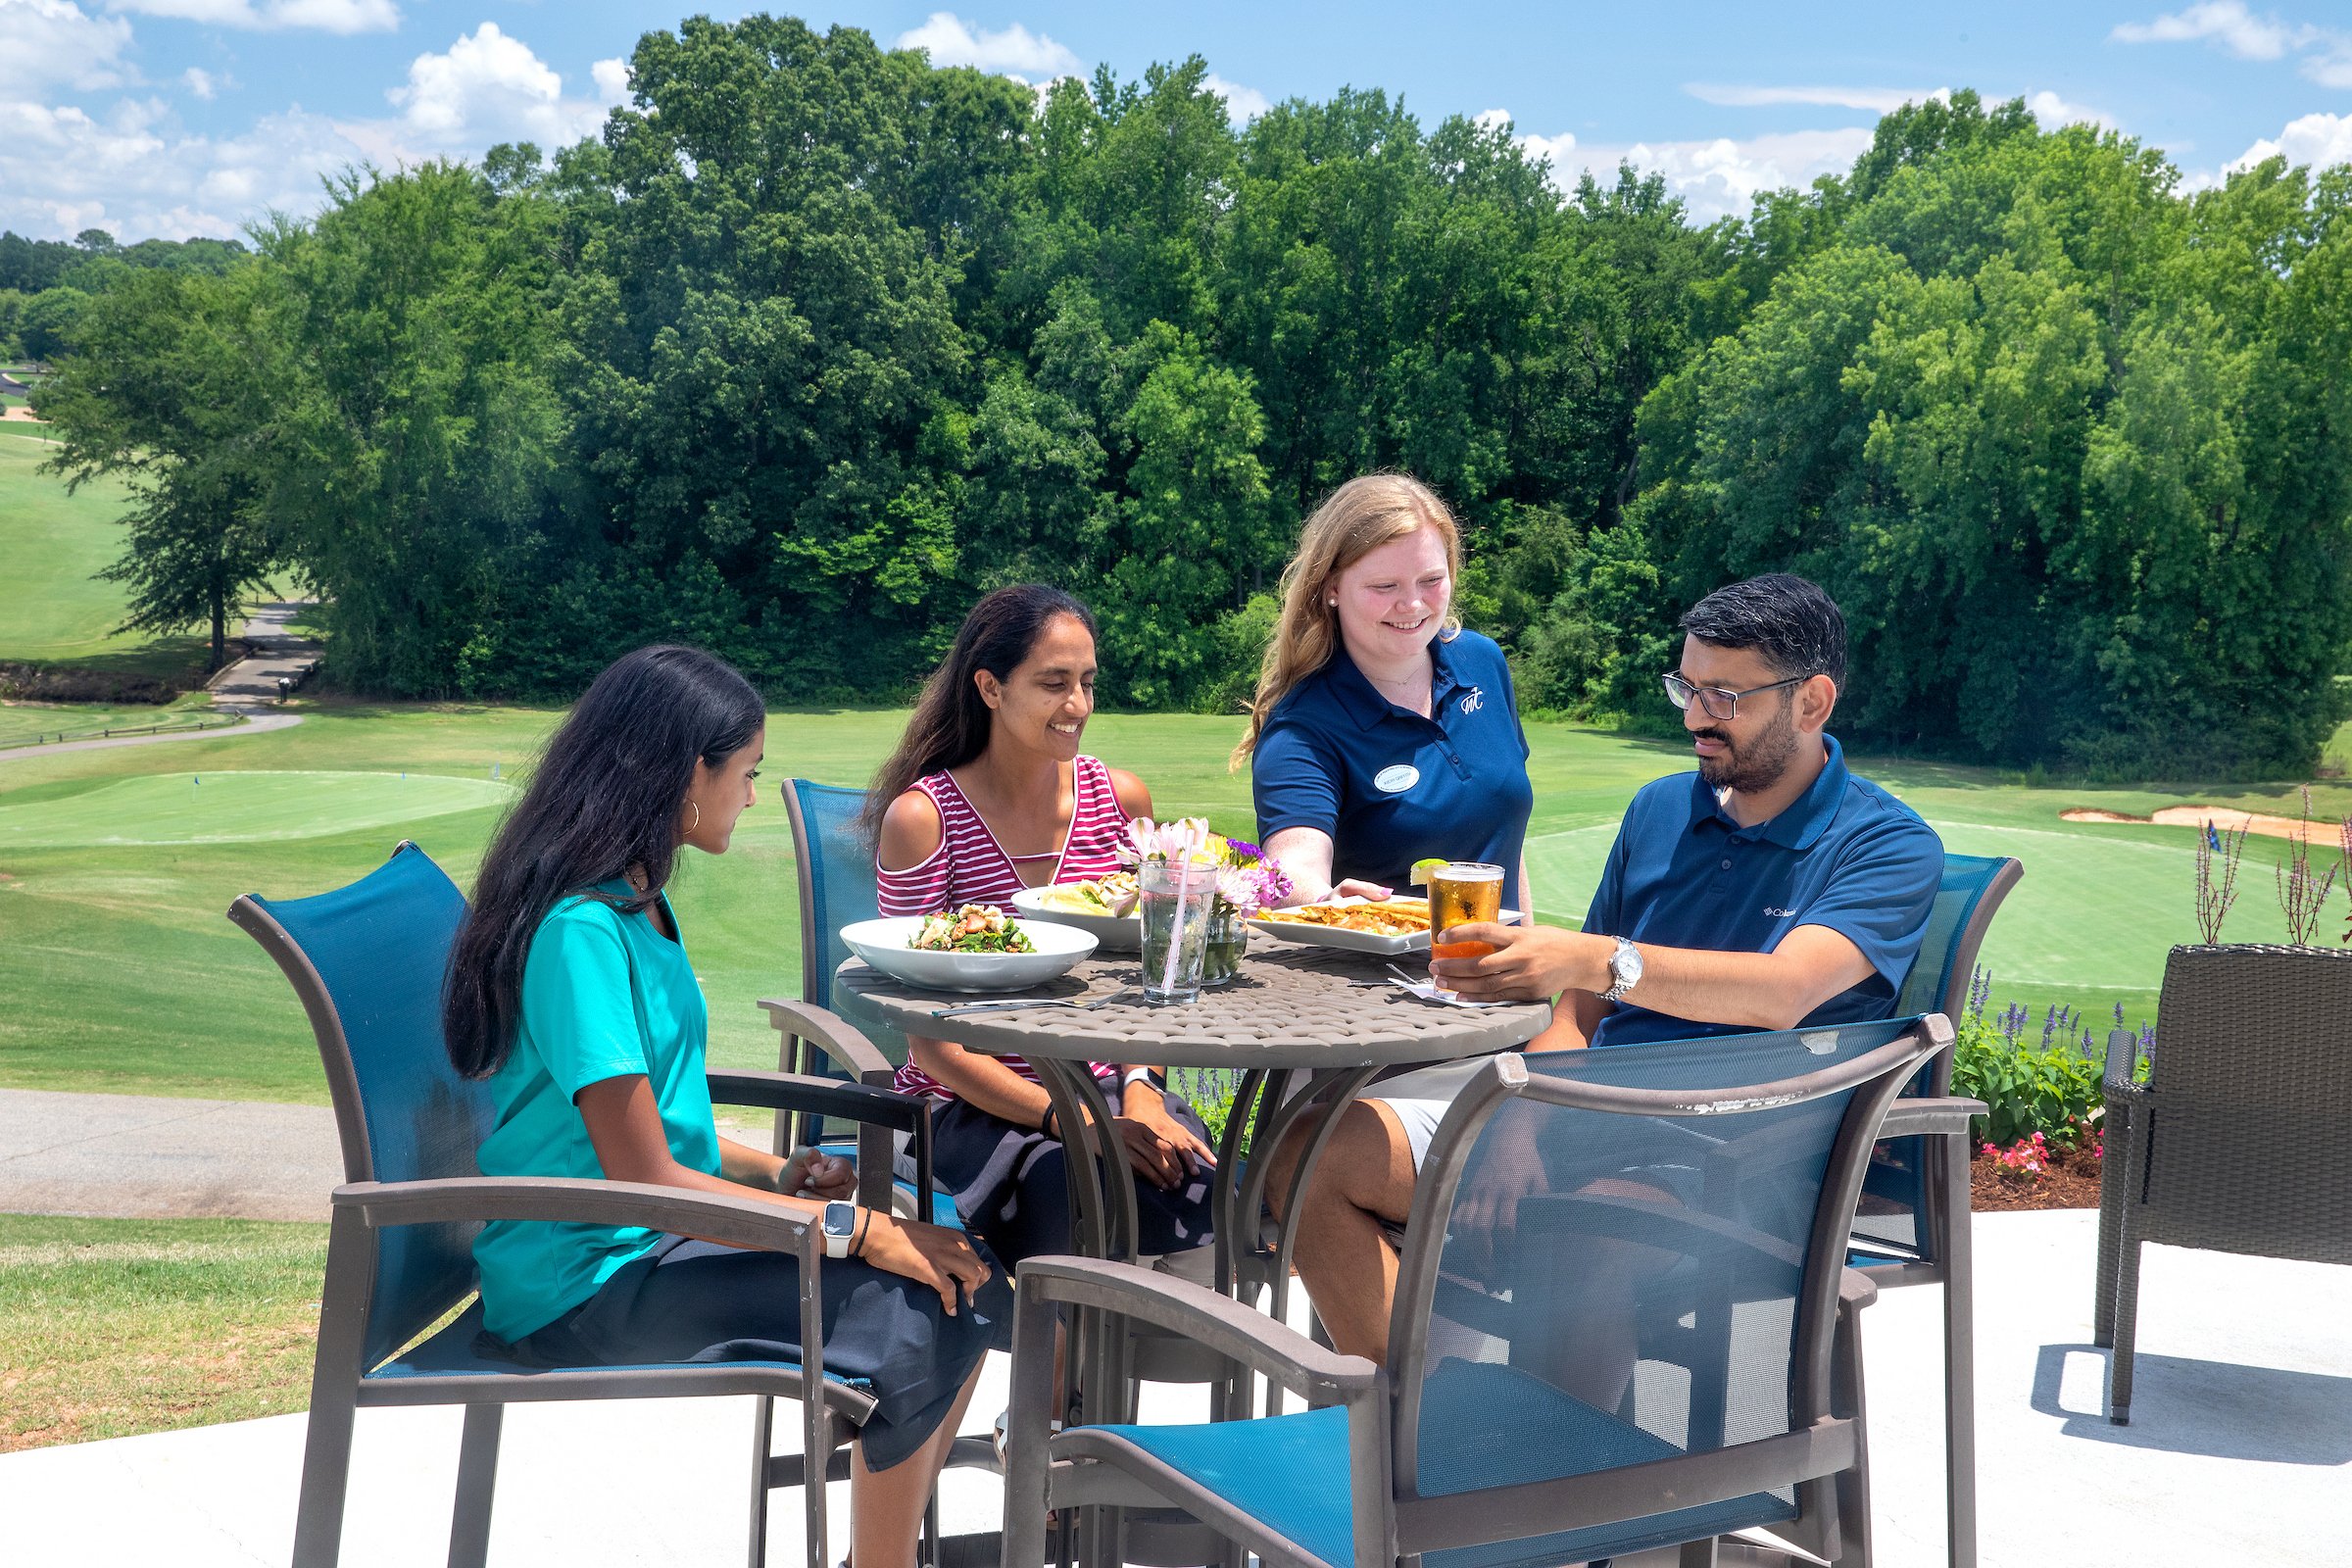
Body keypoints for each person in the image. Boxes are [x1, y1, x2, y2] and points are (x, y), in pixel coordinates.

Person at [1269, 573, 1945, 1363]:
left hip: (1729, 1157)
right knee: (1308, 1156)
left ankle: (1545, 1444)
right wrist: (1518, 1124)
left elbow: (1783, 992)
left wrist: (1593, 957)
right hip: (1580, 1116)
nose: (1695, 717)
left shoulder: (1887, 846)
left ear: (1812, 702)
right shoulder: (1661, 808)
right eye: (1686, 687)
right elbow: (1579, 1013)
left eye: (1725, 697)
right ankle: (1427, 1423)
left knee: (1577, 1243)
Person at [444, 645, 1005, 1568]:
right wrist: (852, 1230)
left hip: (643, 1240)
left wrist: (780, 1174)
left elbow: (664, 1119)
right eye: (744, 772)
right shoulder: (582, 934)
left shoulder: (639, 902)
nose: (752, 795)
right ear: (683, 776)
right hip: (582, 1283)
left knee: (951, 1258)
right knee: (921, 1299)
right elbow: (644, 1177)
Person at [867, 584, 1219, 1270]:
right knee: (1072, 1196)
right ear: (990, 688)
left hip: (1112, 1089)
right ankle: (1062, 1344)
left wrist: (1143, 1091)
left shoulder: (1120, 801)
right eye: (1055, 684)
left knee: (1205, 1184)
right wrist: (1076, 1121)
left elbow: (1149, 977)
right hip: (973, 1103)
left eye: (1088, 682)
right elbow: (933, 1048)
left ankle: (1146, 1340)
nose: (1079, 705)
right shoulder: (924, 820)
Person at [1238, 473, 1536, 910]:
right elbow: (1293, 864)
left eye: (1431, 579)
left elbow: (1506, 833)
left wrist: (1526, 946)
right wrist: (1324, 899)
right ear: (1332, 587)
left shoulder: (1481, 662)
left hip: (1498, 956)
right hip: (1380, 956)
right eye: (1385, 586)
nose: (1412, 604)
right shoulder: (1303, 726)